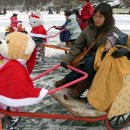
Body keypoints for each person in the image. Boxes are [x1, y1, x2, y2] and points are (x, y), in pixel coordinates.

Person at [54, 3, 130, 99]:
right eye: (95, 16)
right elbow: (77, 45)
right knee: (82, 67)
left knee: (90, 60)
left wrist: (125, 51)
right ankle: (67, 80)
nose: (96, 19)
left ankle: (80, 88)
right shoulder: (89, 29)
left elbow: (126, 44)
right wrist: (67, 60)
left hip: (103, 63)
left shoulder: (115, 31)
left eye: (100, 16)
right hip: (87, 60)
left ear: (107, 18)